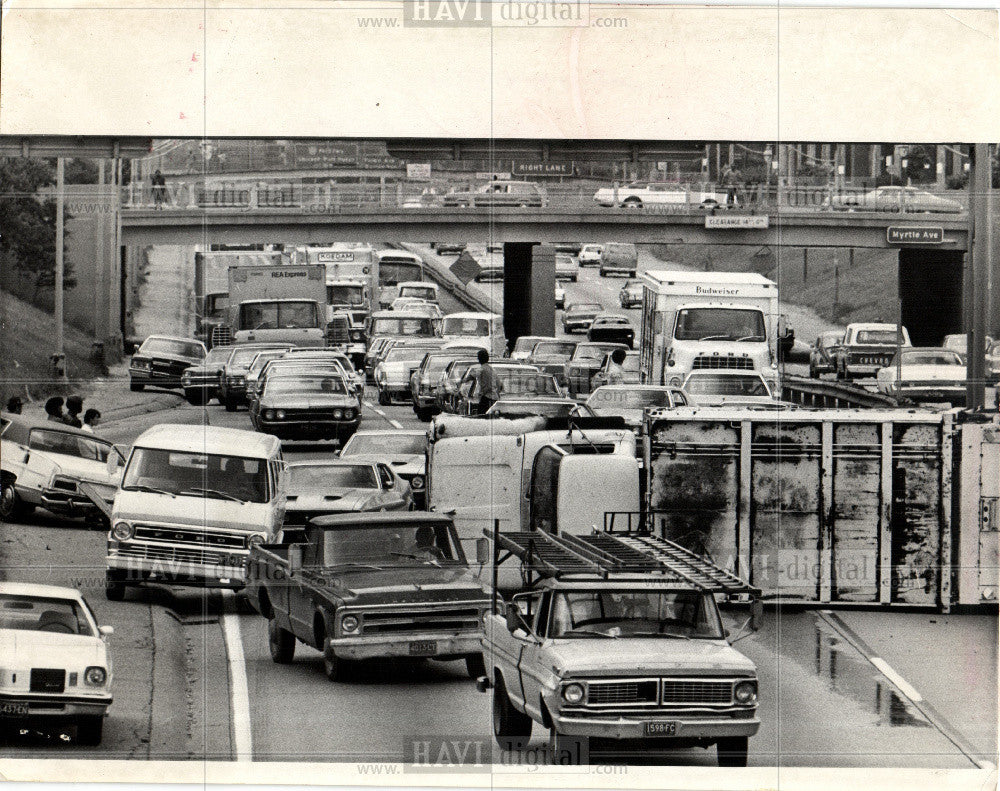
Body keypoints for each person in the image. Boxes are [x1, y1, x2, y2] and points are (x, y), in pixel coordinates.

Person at [462, 349, 502, 415]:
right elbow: (499, 385)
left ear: (479, 359)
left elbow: (472, 376)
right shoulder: (492, 370)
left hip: (487, 398)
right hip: (495, 398)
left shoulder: (482, 369)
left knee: (481, 415)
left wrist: (462, 381)